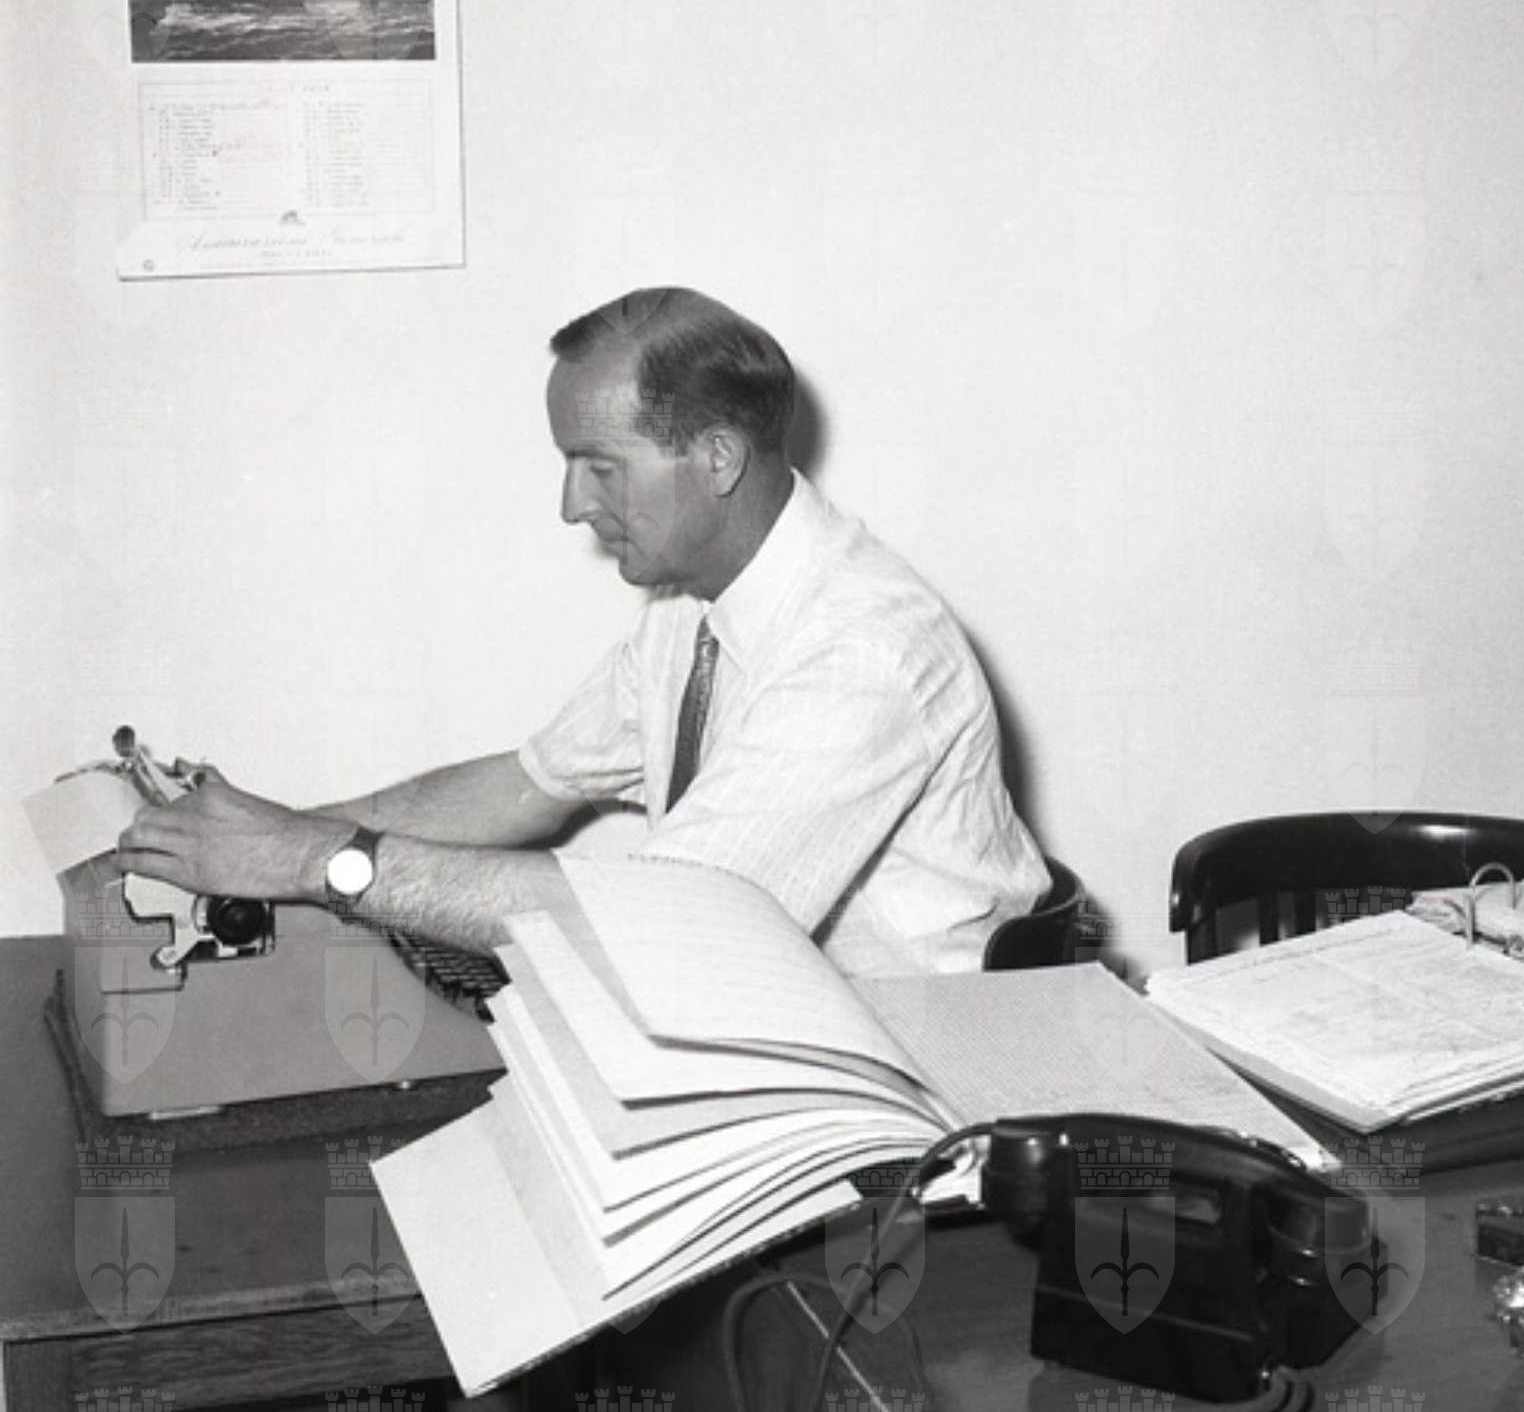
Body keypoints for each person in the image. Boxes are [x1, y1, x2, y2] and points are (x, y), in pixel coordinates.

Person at [115, 287, 1049, 976]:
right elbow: (528, 786)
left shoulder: (864, 652)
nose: (572, 505)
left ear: (717, 458)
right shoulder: (693, 608)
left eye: (600, 466)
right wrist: (270, 834)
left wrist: (308, 860)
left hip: (920, 1073)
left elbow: (676, 926)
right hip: (780, 1018)